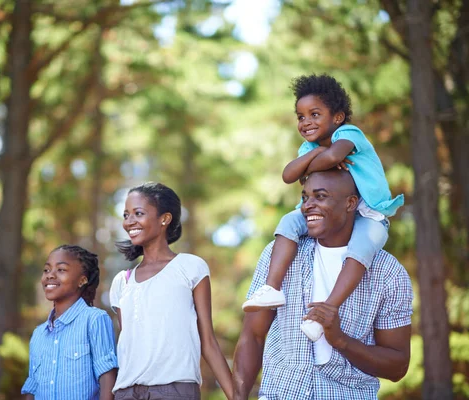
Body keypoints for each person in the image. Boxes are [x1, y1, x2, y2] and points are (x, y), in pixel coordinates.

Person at [242, 74, 404, 342]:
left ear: (338, 117)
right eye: (301, 116)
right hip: (328, 210)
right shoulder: (309, 147)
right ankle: (271, 287)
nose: (306, 122)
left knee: (361, 250)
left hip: (368, 211)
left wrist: (320, 158)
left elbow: (333, 156)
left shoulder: (349, 133)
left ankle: (328, 308)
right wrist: (317, 154)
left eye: (315, 114)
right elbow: (288, 175)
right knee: (287, 224)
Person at [233, 169, 413, 400]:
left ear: (350, 203)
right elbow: (252, 336)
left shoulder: (388, 272)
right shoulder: (279, 255)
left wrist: (341, 341)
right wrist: (238, 396)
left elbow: (397, 366)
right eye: (305, 197)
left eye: (320, 196)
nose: (308, 205)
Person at [109, 182, 234, 400]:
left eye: (138, 213)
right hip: (126, 393)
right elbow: (130, 347)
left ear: (165, 219)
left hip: (173, 391)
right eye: (126, 215)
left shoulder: (190, 267)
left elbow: (208, 340)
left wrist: (236, 395)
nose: (129, 222)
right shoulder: (122, 282)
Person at [22, 245, 118, 400]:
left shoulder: (94, 320)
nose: (50, 275)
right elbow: (32, 387)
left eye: (61, 270)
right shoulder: (38, 334)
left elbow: (107, 377)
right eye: (46, 270)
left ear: (82, 280)